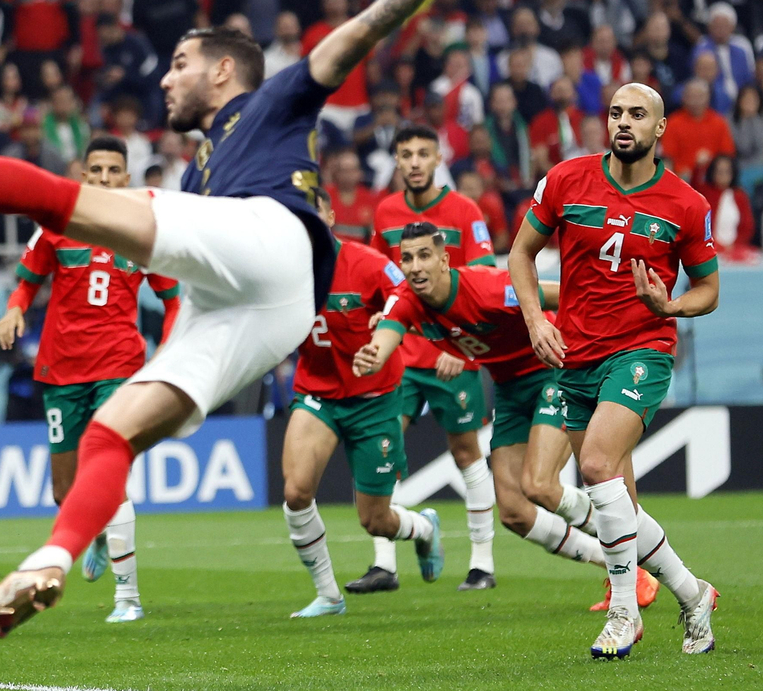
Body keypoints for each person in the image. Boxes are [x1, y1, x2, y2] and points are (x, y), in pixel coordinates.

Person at [0, 0, 522, 639]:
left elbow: (361, 31)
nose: (164, 77)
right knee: (110, 433)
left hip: (277, 239)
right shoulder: (199, 170)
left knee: (59, 201)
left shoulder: (273, 100)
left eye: (180, 63)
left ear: (223, 71)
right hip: (265, 305)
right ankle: (52, 561)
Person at [510, 82, 720, 659]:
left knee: (597, 464)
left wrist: (670, 307)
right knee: (616, 495)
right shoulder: (566, 180)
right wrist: (536, 321)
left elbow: (709, 289)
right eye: (616, 112)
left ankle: (625, 612)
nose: (623, 122)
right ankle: (692, 592)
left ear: (659, 131)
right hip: (575, 353)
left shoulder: (685, 204)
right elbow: (520, 254)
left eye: (638, 114)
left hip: (642, 349)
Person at [353, 224, 659, 609]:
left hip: (553, 371)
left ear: (445, 260)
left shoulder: (487, 289)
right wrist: (372, 355)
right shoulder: (407, 300)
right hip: (509, 389)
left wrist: (625, 310)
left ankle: (636, 558)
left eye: (424, 256)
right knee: (514, 512)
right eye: (408, 258)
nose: (415, 266)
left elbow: (563, 294)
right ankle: (619, 565)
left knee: (540, 484)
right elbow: (384, 338)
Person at [0, 135, 180, 624]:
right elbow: (28, 280)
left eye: (112, 171)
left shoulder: (143, 230)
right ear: (84, 175)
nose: (102, 179)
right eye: (94, 170)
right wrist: (14, 312)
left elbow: (174, 295)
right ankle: (96, 534)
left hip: (119, 364)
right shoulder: (57, 223)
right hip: (62, 367)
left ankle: (128, 596)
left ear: (125, 176)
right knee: (64, 491)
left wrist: (174, 345)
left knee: (110, 474)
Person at [280, 193, 441, 620]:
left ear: (331, 216)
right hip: (317, 395)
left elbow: (404, 290)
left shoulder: (365, 262)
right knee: (296, 492)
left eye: (312, 212)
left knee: (375, 520)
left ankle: (423, 529)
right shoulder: (279, 270)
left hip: (374, 400)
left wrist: (386, 319)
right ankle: (329, 595)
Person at [360, 124, 499, 595]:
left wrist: (458, 347)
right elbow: (381, 278)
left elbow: (483, 276)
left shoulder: (464, 210)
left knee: (466, 452)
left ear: (438, 157)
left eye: (423, 153)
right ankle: (384, 564)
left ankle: (482, 562)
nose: (415, 162)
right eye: (406, 154)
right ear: (396, 161)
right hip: (402, 353)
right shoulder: (385, 212)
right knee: (385, 447)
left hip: (452, 355)